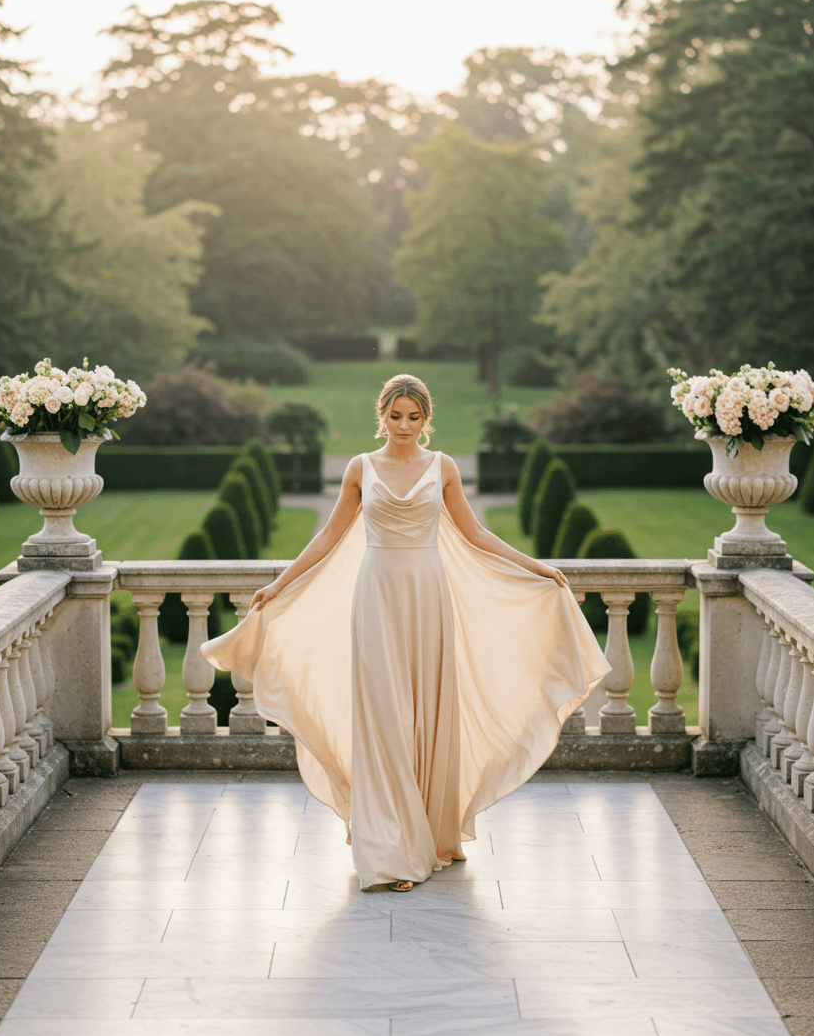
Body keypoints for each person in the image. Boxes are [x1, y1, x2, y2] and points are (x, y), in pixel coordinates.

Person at [202, 374, 609, 892]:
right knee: (384, 717)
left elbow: (476, 533)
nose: (404, 426)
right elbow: (329, 534)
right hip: (376, 597)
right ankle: (391, 850)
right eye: (395, 416)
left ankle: (431, 834)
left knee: (426, 713)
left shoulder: (442, 468)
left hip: (428, 596)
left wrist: (536, 568)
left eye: (413, 417)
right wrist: (278, 585)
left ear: (426, 419)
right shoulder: (360, 469)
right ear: (381, 416)